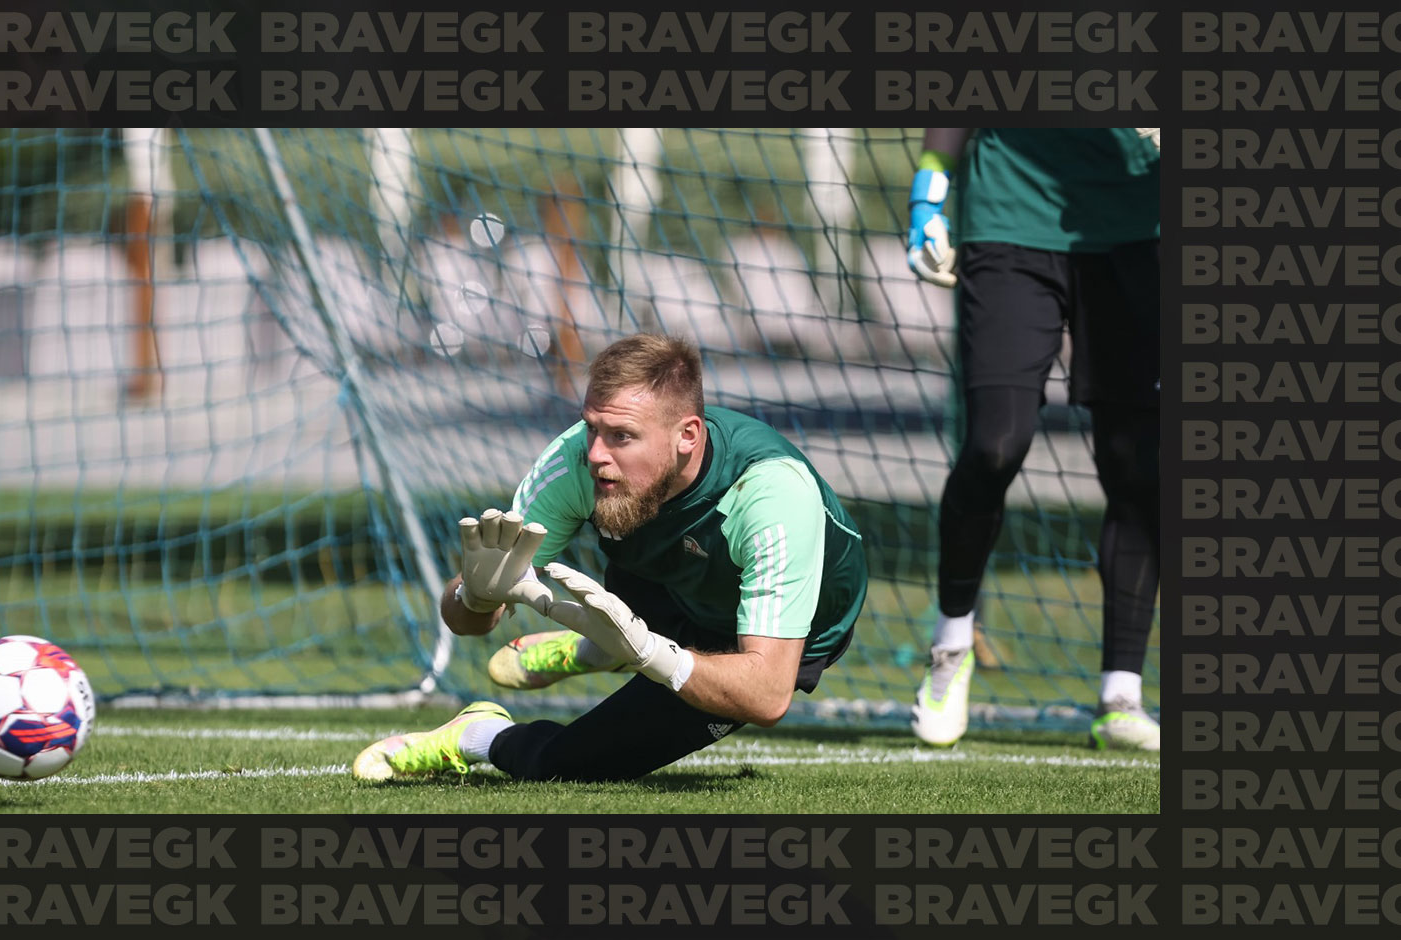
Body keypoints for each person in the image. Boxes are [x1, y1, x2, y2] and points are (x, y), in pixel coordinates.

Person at [352, 333, 868, 782]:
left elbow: (767, 696)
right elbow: (467, 621)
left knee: (569, 764)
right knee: (624, 544)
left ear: (687, 434)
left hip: (757, 636)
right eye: (592, 426)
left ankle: (480, 732)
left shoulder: (771, 497)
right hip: (659, 581)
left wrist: (649, 653)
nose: (597, 452)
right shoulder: (576, 461)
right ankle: (604, 644)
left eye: (622, 436)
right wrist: (474, 593)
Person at [905, 128, 1161, 751]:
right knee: (996, 444)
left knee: (1137, 467)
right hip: (1009, 221)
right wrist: (928, 193)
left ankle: (1120, 694)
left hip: (1136, 228)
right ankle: (951, 648)